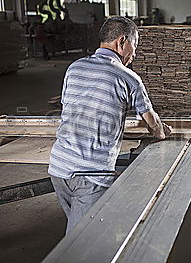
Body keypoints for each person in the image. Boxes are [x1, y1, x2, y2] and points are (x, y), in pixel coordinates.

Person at [48, 16, 171, 233]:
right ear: (122, 42)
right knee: (81, 243)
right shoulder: (129, 78)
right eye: (135, 45)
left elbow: (73, 108)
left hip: (58, 168)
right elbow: (153, 125)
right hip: (90, 175)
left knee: (76, 227)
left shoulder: (74, 68)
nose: (134, 54)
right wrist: (162, 131)